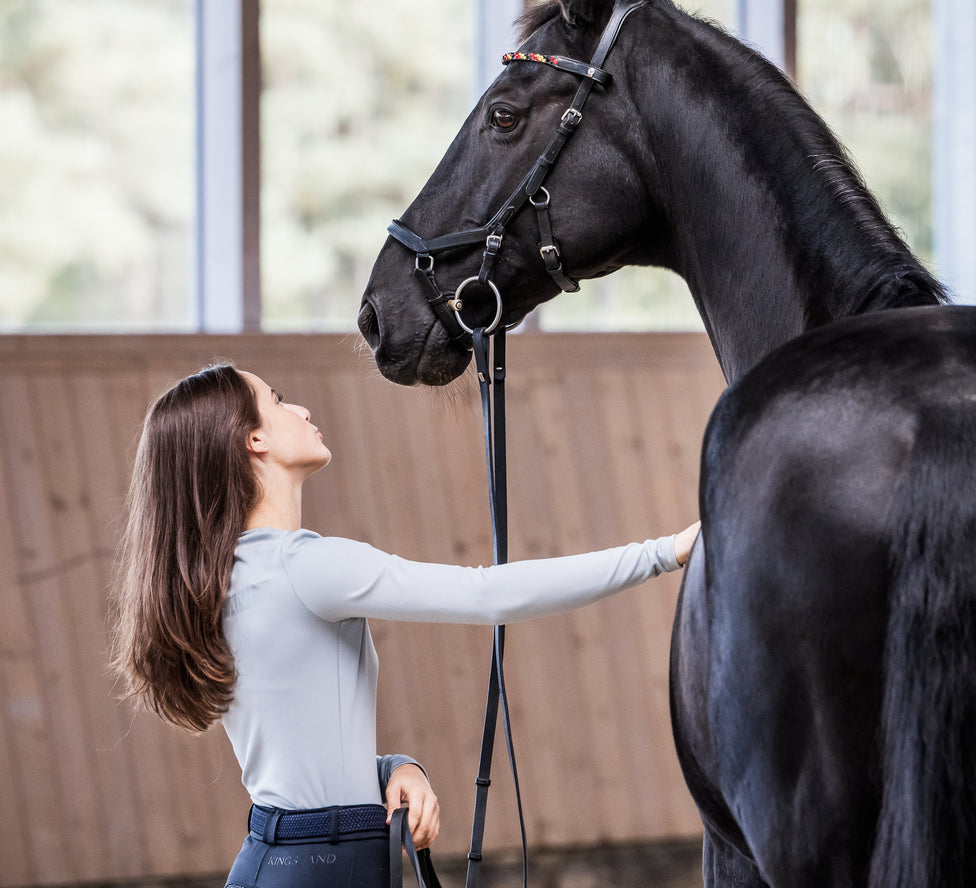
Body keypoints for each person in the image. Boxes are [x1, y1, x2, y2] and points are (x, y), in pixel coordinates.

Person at [109, 362, 700, 888]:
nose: (303, 409)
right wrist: (665, 551)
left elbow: (302, 757)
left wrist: (395, 768)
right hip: (327, 863)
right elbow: (486, 593)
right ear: (253, 439)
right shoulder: (304, 564)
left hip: (294, 856)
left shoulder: (233, 573)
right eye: (279, 398)